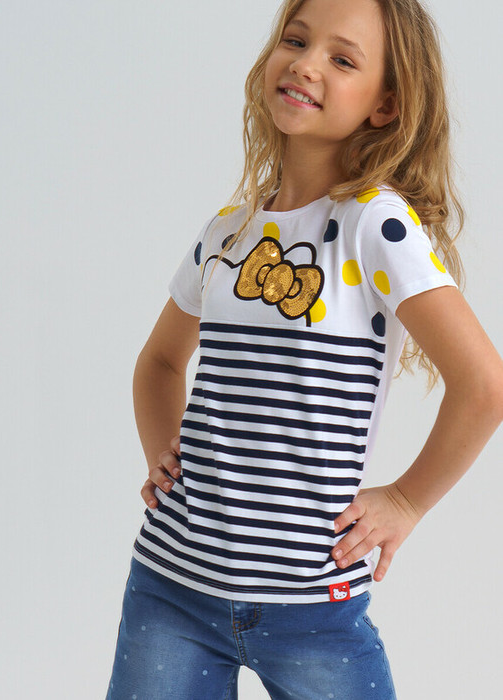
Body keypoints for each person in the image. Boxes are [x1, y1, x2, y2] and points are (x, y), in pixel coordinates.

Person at [105, 0, 503, 698]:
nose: (306, 64)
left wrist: (406, 501)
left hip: (313, 605)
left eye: (342, 59)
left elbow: (483, 385)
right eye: (295, 40)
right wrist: (163, 457)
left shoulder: (374, 225)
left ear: (384, 105)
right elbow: (159, 362)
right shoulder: (228, 232)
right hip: (171, 586)